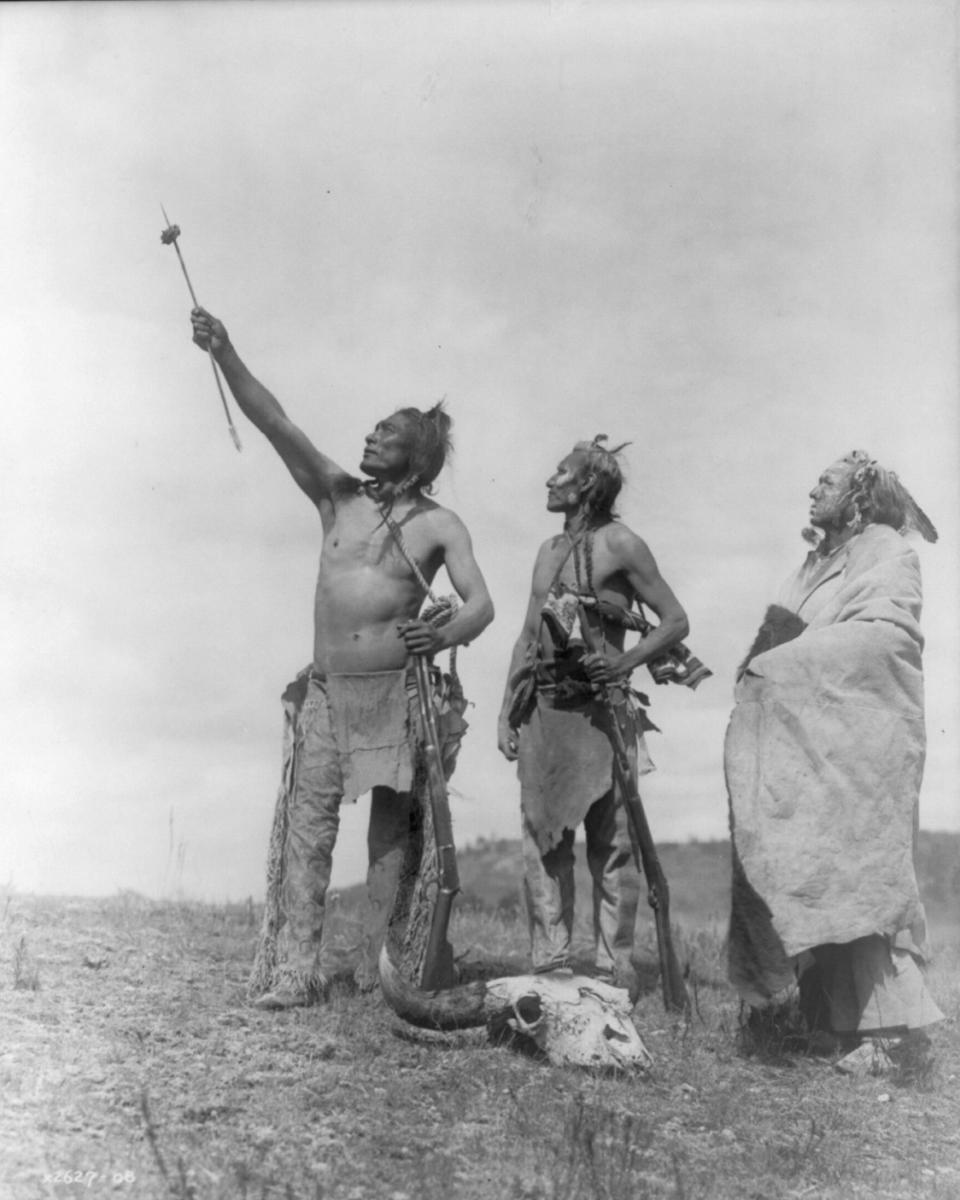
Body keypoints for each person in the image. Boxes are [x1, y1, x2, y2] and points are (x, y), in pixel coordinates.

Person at [190, 306, 494, 1009]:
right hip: (327, 692)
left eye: (384, 433)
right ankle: (296, 969)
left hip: (398, 697)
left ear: (415, 455)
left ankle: (378, 969)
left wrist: (442, 635)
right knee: (309, 824)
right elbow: (277, 422)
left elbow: (480, 605)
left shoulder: (439, 525)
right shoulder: (336, 497)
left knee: (391, 836)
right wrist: (226, 351)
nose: (368, 436)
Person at [726, 450, 943, 1071]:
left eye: (828, 481)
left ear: (858, 496)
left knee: (865, 877)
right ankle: (830, 1022)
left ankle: (893, 1037)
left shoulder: (887, 551)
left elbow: (888, 635)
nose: (813, 488)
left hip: (861, 741)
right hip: (809, 739)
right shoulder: (816, 560)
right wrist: (763, 668)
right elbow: (782, 633)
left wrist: (786, 666)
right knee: (814, 871)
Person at [497, 436, 690, 983]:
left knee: (612, 848)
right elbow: (528, 633)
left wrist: (625, 664)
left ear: (586, 484)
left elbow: (675, 621)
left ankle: (612, 974)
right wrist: (506, 709)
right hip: (545, 710)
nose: (549, 481)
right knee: (543, 838)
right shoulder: (546, 552)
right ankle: (552, 966)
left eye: (560, 472)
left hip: (602, 716)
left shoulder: (622, 543)